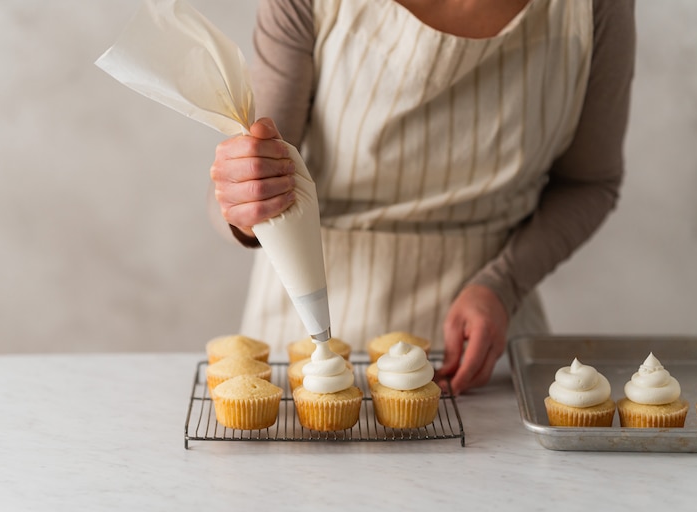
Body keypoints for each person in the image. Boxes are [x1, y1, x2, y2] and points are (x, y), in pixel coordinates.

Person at [209, 0, 635, 395]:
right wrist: (247, 202)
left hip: (483, 349)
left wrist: (502, 285)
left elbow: (589, 183)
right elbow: (250, 175)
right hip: (303, 332)